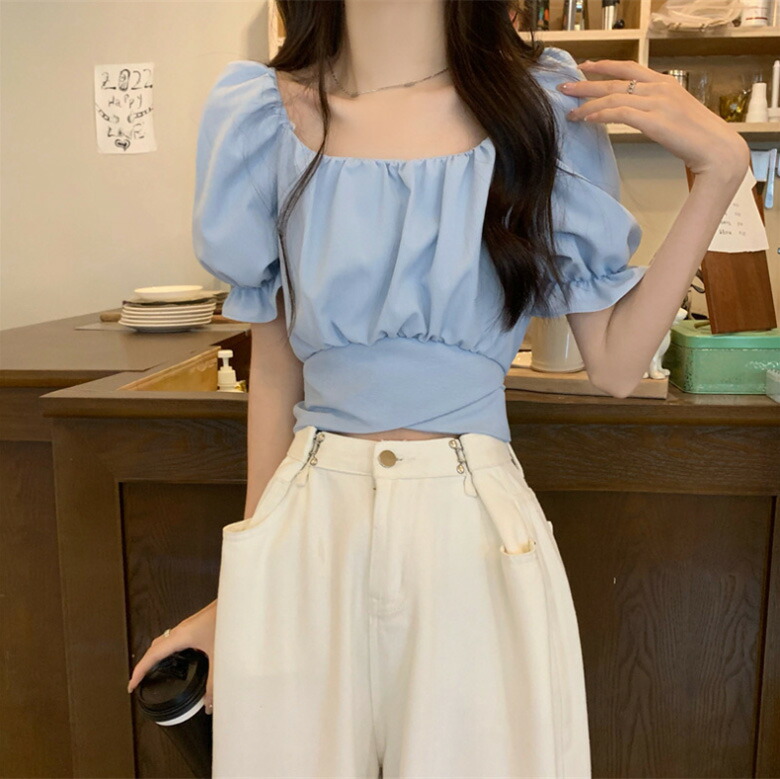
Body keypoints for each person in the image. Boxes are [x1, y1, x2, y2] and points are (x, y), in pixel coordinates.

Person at [127, 1, 749, 776]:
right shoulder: (264, 117)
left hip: (472, 532)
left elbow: (618, 365)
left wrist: (720, 174)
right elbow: (276, 366)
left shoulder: (537, 109)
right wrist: (241, 586)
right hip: (308, 527)